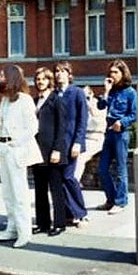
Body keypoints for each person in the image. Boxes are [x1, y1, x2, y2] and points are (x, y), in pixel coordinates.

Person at [0, 65, 44, 248]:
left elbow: (33, 127)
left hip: (16, 149)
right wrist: (0, 144)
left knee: (19, 192)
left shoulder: (25, 100)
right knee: (7, 192)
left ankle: (24, 232)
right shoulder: (5, 100)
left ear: (11, 78)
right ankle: (12, 227)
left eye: (2, 75)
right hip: (3, 148)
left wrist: (16, 143)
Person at [95, 59, 137, 215]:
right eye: (110, 72)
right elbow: (100, 106)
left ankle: (121, 201)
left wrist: (122, 122)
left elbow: (134, 114)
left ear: (123, 73)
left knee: (121, 168)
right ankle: (110, 199)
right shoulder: (111, 91)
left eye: (116, 72)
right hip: (109, 132)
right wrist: (106, 91)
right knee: (102, 169)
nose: (112, 75)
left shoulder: (130, 92)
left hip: (121, 133)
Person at [31, 67, 68, 237]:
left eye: (43, 79)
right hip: (37, 152)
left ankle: (59, 223)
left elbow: (62, 128)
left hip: (53, 152)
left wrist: (57, 150)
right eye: (38, 79)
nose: (40, 82)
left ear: (49, 81)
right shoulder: (34, 100)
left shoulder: (56, 100)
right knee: (39, 190)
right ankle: (42, 223)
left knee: (56, 189)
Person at [53, 61, 89, 226]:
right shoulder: (54, 94)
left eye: (62, 71)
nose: (59, 74)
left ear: (69, 74)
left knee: (69, 177)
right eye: (56, 71)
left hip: (71, 143)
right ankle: (66, 213)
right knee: (59, 180)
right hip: (57, 145)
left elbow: (82, 120)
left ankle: (81, 213)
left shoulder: (77, 93)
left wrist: (78, 142)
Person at [73, 85, 107, 184]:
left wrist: (91, 108)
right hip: (83, 138)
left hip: (95, 138)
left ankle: (74, 182)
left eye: (87, 97)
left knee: (80, 157)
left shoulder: (98, 104)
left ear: (92, 94)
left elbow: (100, 122)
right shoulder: (77, 106)